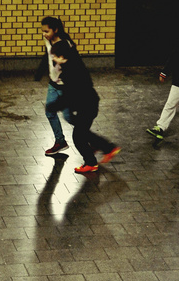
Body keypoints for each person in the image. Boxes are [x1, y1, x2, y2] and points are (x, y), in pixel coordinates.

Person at [47, 41, 121, 174]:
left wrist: (54, 106)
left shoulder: (70, 73)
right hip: (89, 104)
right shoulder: (75, 64)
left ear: (63, 57)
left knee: (78, 137)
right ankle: (104, 147)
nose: (53, 58)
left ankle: (92, 162)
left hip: (86, 106)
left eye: (56, 56)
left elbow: (68, 96)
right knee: (83, 131)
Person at [34, 16, 77, 156]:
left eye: (46, 31)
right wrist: (39, 72)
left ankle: (89, 139)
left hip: (67, 87)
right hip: (53, 85)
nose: (44, 34)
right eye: (42, 31)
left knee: (69, 117)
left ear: (56, 30)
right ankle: (60, 141)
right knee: (50, 112)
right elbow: (46, 55)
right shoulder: (48, 41)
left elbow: (73, 66)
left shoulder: (66, 44)